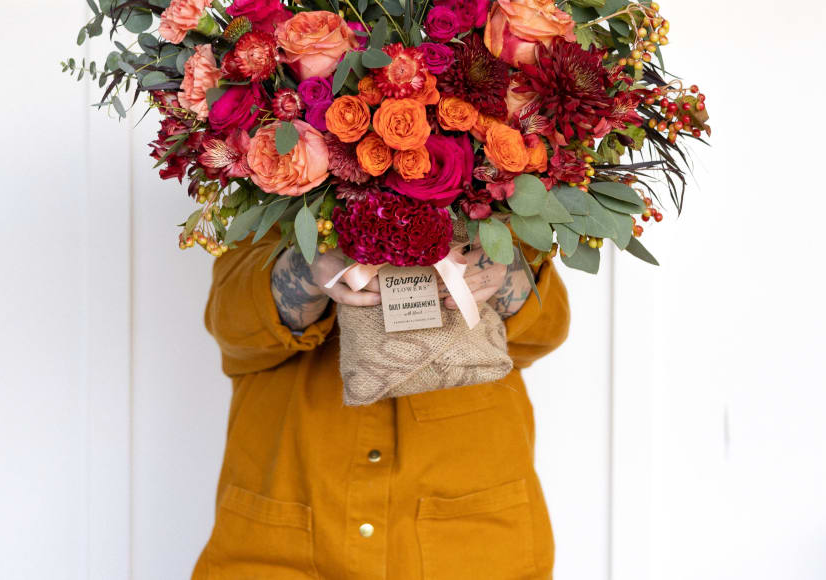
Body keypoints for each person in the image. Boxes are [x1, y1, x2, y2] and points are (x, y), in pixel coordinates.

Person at [191, 229, 570, 580]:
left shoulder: (500, 205)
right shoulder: (267, 187)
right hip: (282, 551)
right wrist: (312, 261)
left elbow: (543, 332)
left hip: (474, 548)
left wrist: (495, 262)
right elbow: (234, 326)